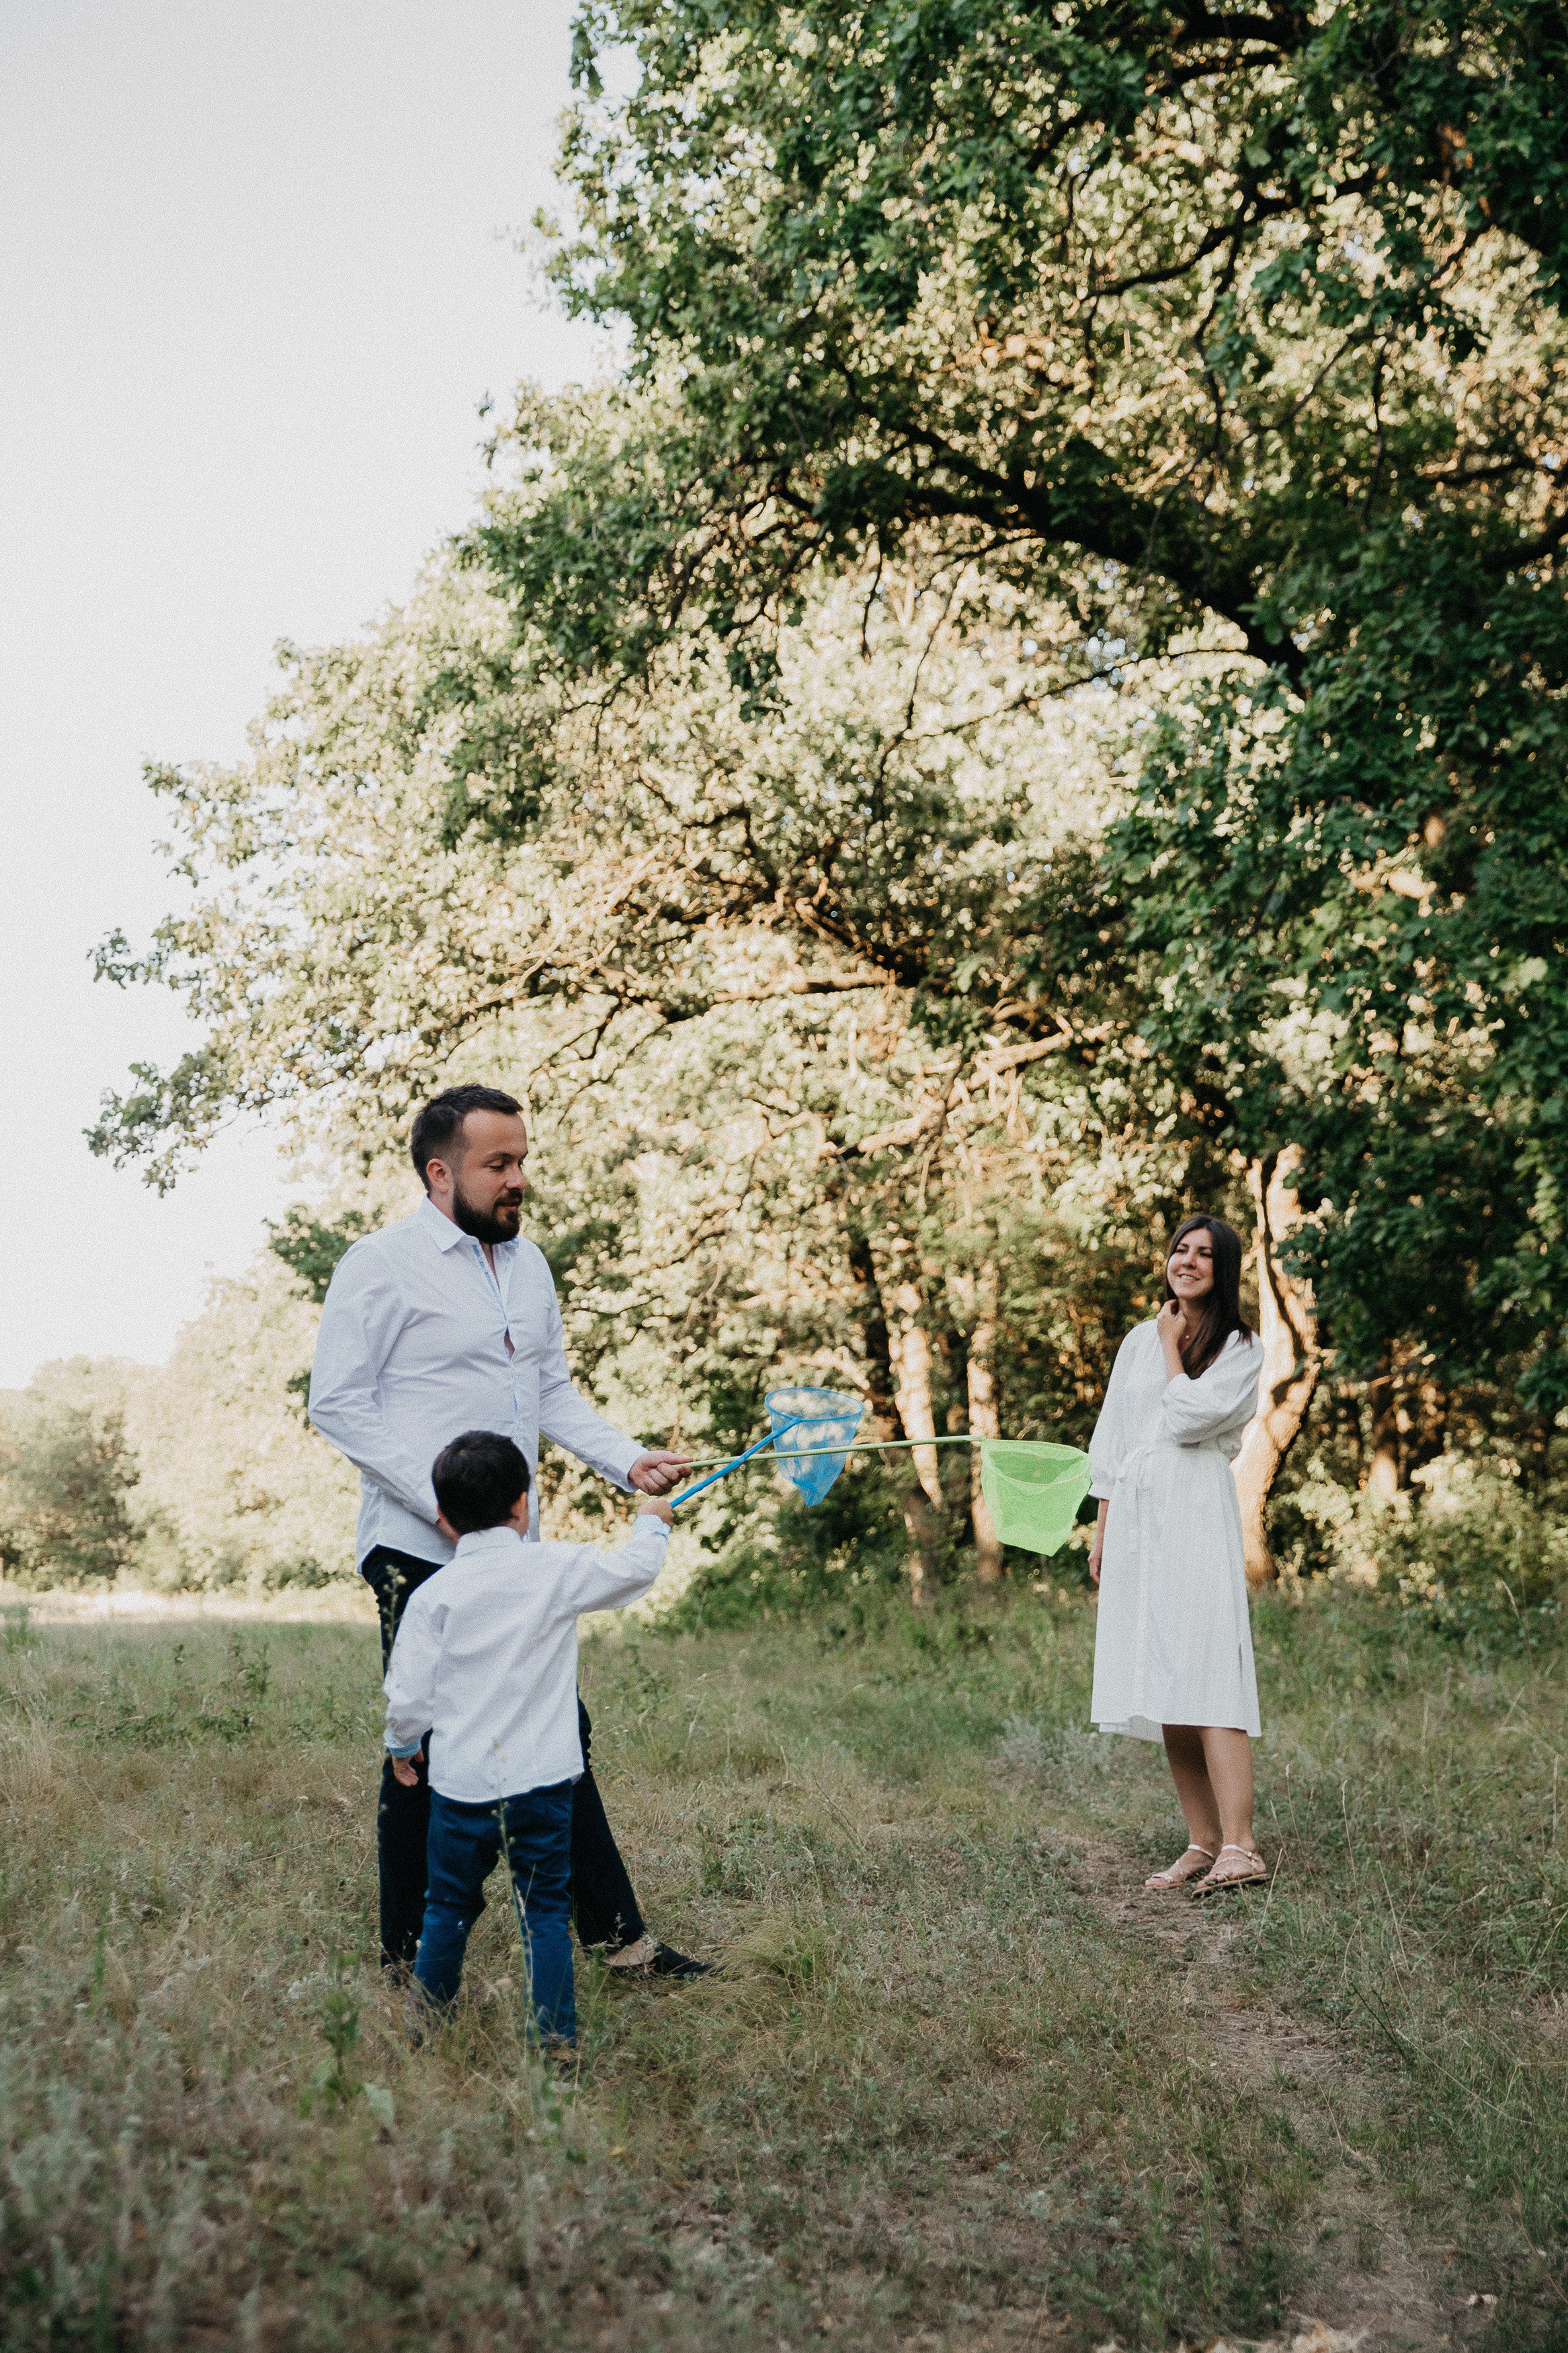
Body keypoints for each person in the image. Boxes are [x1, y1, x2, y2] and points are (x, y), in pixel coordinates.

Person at [309, 1081, 707, 1977]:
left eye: (522, 1161)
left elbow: (551, 1390)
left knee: (556, 1725)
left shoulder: (528, 1266)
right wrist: (439, 1503)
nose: (517, 1179)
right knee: (425, 1745)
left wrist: (627, 1461)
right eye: (498, 1163)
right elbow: (336, 1403)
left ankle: (619, 1942)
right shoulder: (380, 1263)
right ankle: (408, 1953)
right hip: (416, 1546)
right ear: (439, 1171)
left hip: (514, 1549)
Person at [384, 1432, 675, 2047]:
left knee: (446, 1908)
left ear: (442, 1516)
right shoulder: (556, 1569)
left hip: (460, 1790)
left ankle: (426, 2031)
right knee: (544, 1914)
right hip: (542, 1785)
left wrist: (402, 1746)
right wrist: (652, 1523)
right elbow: (634, 1571)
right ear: (523, 1504)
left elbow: (408, 1693)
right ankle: (556, 2044)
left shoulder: (433, 1596)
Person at [1086, 1215, 1268, 1897]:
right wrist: (1102, 1530)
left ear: (1223, 1269)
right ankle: (1202, 1841)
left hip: (1193, 1507)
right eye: (1179, 1249)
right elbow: (1113, 1438)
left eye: (1203, 1254)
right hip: (1138, 1514)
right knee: (1166, 1677)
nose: (1186, 1261)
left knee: (1206, 1668)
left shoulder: (1239, 1345)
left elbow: (1188, 1420)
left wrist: (1171, 1345)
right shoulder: (1139, 1337)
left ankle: (1242, 1846)